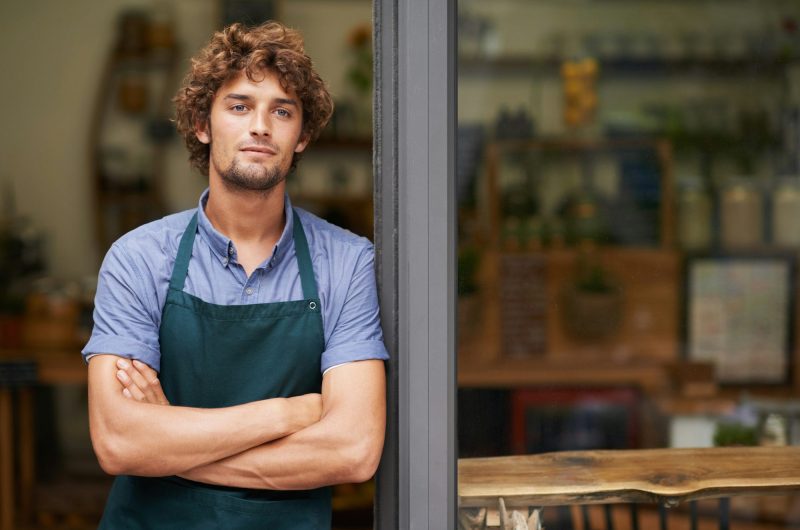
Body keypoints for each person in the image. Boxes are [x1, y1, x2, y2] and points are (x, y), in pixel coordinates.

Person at [83, 20, 388, 529]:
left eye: (282, 111)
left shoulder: (347, 262)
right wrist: (286, 415)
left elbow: (353, 451)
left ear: (303, 136)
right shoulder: (138, 259)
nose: (261, 126)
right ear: (203, 124)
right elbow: (118, 443)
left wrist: (170, 447)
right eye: (240, 105)